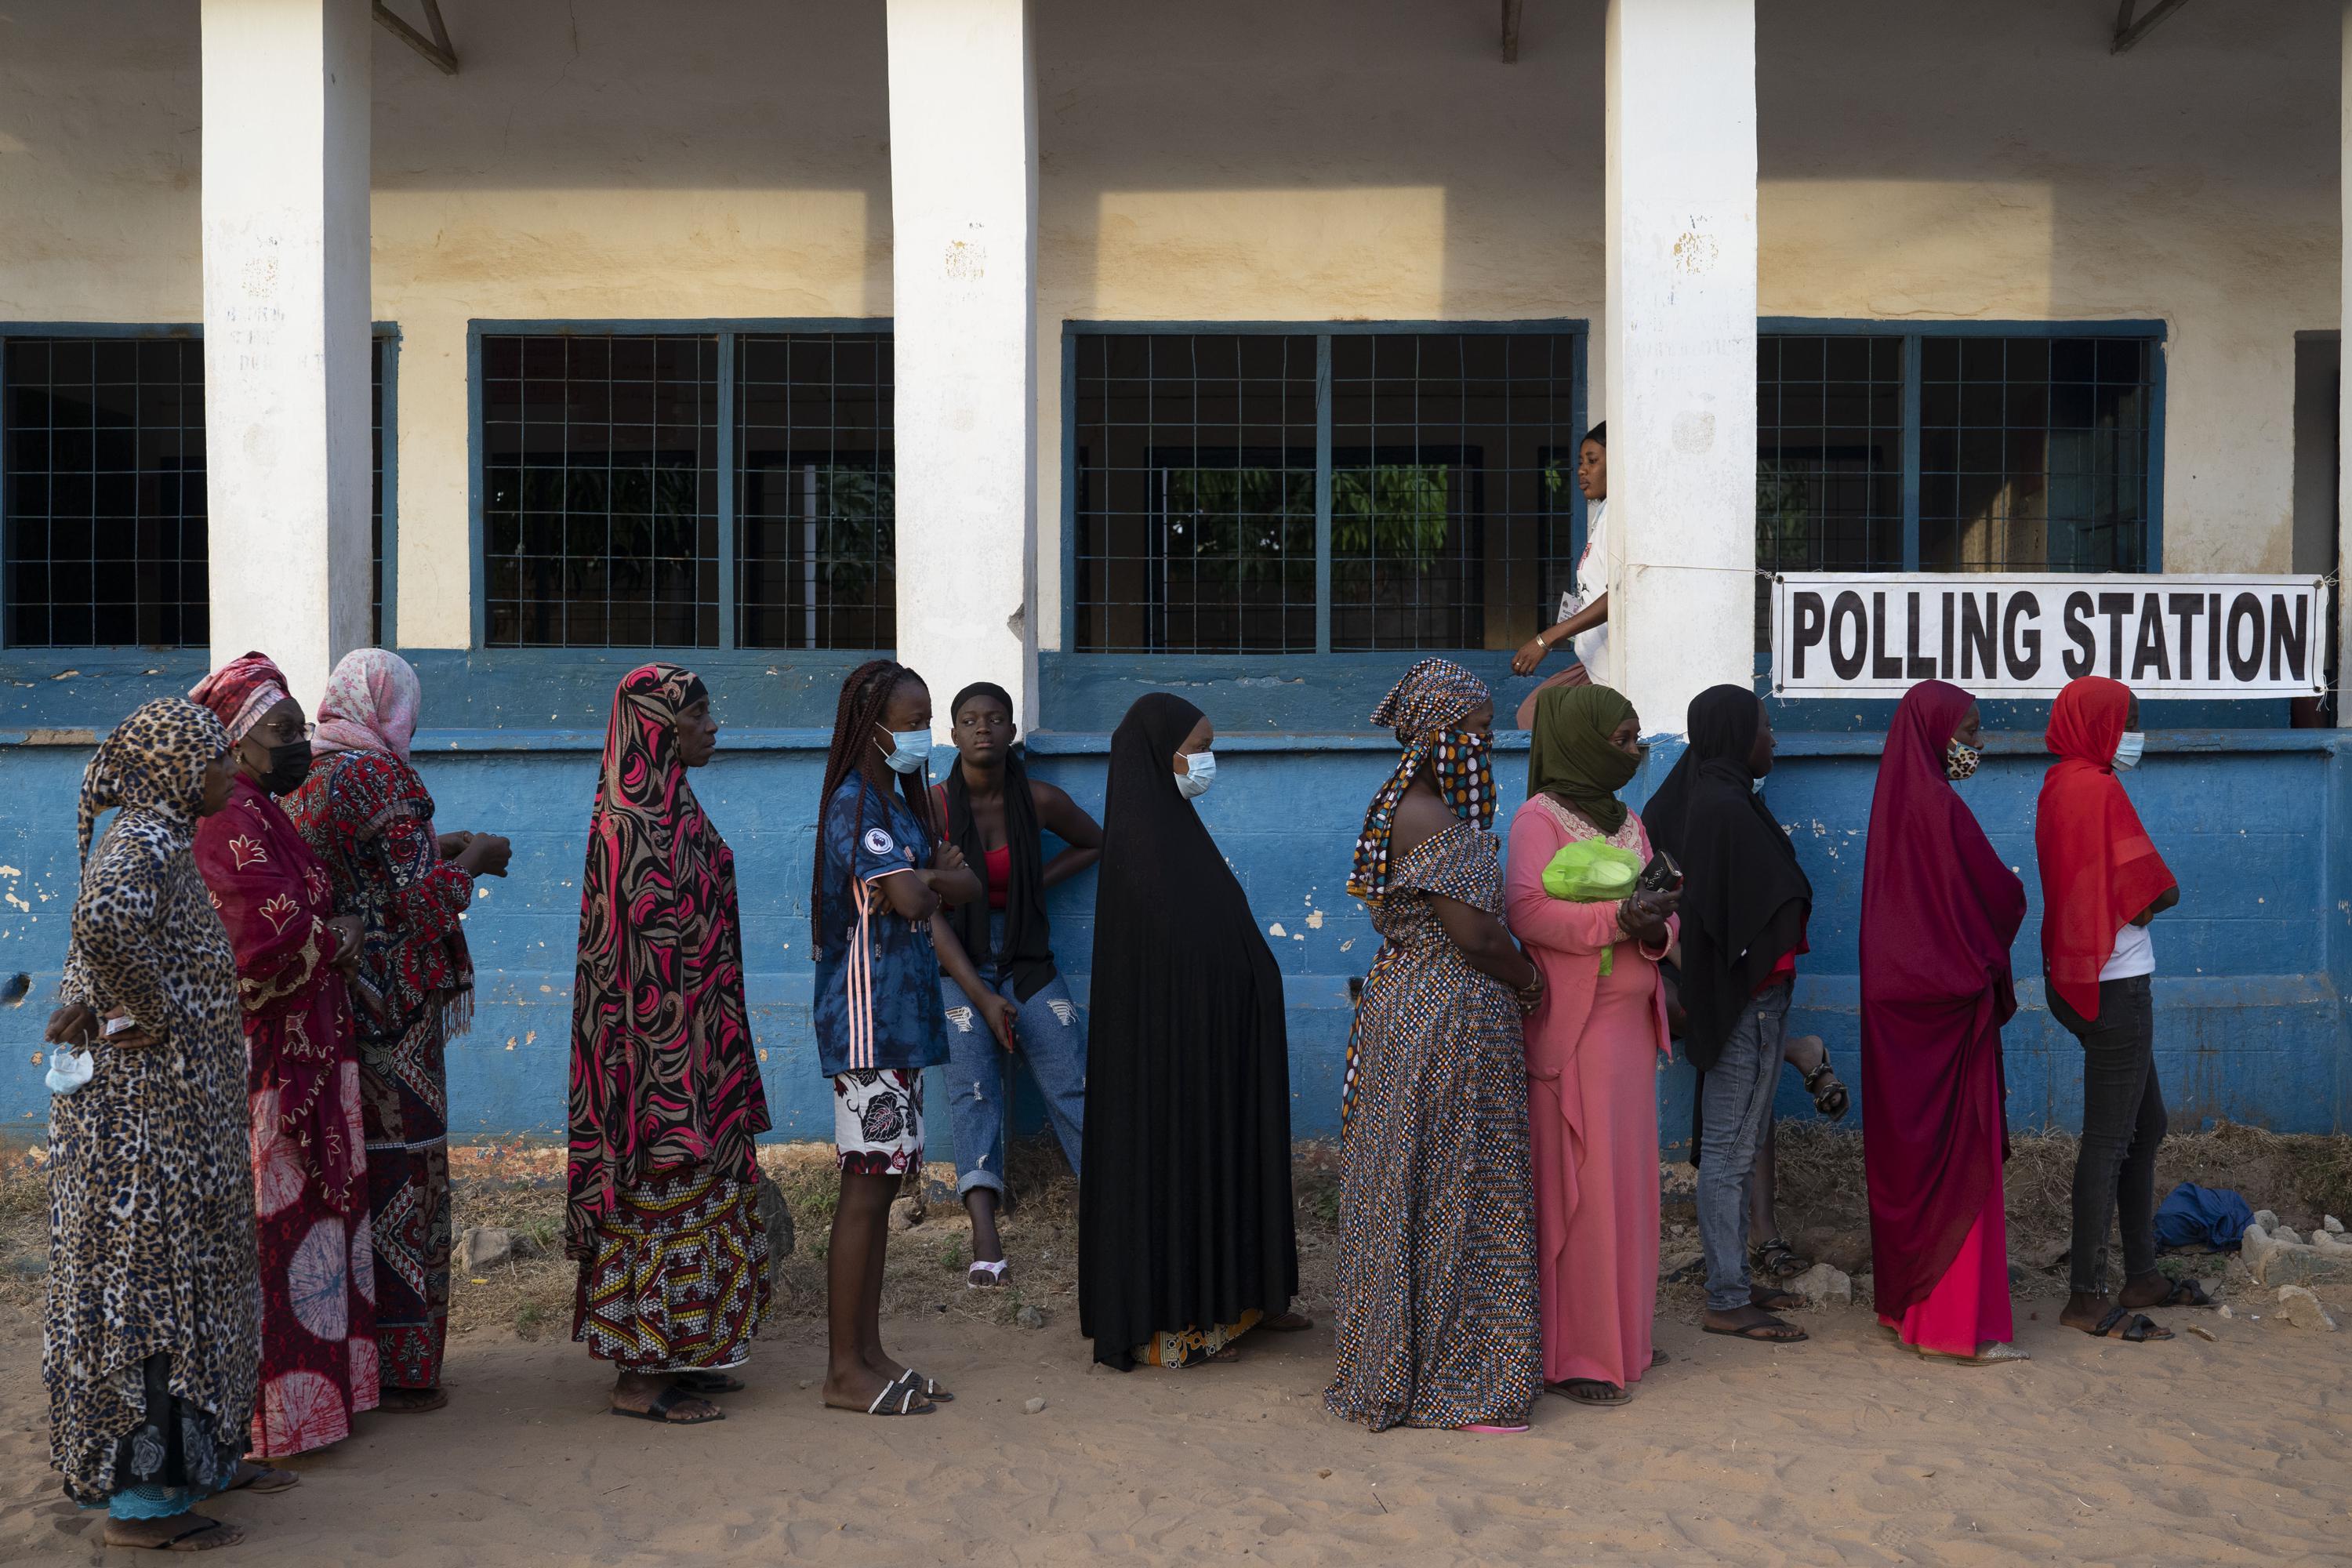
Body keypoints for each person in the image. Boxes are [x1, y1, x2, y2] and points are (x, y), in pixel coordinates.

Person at [43, 699, 259, 1550]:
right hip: (145, 1136)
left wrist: (125, 1000)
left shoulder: (157, 837)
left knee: (178, 1290)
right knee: (152, 1299)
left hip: (170, 1121)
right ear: (176, 769)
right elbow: (103, 923)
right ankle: (143, 1505)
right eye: (215, 759)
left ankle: (187, 1470)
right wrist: (151, 1011)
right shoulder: (145, 839)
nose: (229, 773)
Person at [287, 649, 510, 1412]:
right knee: (409, 1176)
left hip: (343, 1000)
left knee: (362, 1174)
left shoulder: (314, 774)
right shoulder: (384, 778)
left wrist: (434, 851)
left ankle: (365, 1358)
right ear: (391, 707)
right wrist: (475, 858)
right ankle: (410, 1364)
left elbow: (364, 876)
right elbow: (418, 903)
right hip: (400, 1010)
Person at [1325, 660, 1544, 1433]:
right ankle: (1460, 1381)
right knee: (1458, 1186)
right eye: (1478, 731)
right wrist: (1531, 979)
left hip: (1423, 1013)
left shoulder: (1417, 804)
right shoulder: (1424, 813)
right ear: (1439, 732)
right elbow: (1475, 934)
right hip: (1443, 1020)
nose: (1486, 745)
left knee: (1431, 1181)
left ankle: (1424, 1365)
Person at [568, 665, 774, 1424]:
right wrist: (665, 1078)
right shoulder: (631, 824)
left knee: (704, 1195)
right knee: (658, 1194)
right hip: (654, 1063)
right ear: (661, 727)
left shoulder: (675, 805)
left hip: (701, 1046)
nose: (714, 725)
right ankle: (640, 1376)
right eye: (701, 714)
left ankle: (685, 1350)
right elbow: (628, 966)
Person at [187, 652, 376, 1464]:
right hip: (267, 1063)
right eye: (283, 730)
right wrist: (339, 940)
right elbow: (256, 946)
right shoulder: (227, 822)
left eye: (301, 725)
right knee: (279, 1234)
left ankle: (322, 1401)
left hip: (312, 1045)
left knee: (314, 1229)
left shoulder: (267, 812)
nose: (301, 743)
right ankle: (274, 1418)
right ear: (234, 742)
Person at [1080, 693, 1304, 1370]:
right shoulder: (1146, 856)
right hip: (1173, 1067)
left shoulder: (1178, 837)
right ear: (1158, 755)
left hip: (1209, 1057)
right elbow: (1175, 968)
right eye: (1196, 748)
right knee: (1176, 1176)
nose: (1205, 763)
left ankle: (1240, 1304)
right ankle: (1174, 1325)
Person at [810, 659, 980, 1416]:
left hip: (904, 1021)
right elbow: (918, 891)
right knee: (864, 1194)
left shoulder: (899, 807)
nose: (921, 735)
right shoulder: (854, 806)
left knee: (882, 1193)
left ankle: (870, 1354)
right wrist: (931, 878)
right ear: (873, 726)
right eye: (910, 723)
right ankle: (844, 1370)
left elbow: (961, 887)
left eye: (924, 721)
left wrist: (930, 878)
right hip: (867, 1026)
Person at [1502, 684, 1678, 1408]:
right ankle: (1576, 1352)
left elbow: (1665, 921)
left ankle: (1624, 1338)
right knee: (1582, 1192)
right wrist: (1619, 916)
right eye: (1622, 738)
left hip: (1631, 1037)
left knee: (1628, 1187)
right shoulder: (1535, 820)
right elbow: (1527, 912)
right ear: (1580, 739)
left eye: (1637, 736)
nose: (1634, 750)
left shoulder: (1629, 819)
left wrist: (1655, 921)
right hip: (1577, 1034)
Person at [1859, 680, 2029, 1365]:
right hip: (1950, 1017)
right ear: (1937, 734)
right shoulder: (1942, 811)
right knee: (1960, 1166)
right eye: (1971, 731)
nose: (1978, 745)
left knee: (1910, 1165)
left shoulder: (1892, 809)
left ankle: (1908, 1312)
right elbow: (1999, 895)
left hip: (1898, 1020)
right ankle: (1954, 1326)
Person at [1639, 684, 1812, 1345]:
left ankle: (1736, 1276)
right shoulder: (1722, 808)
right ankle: (1727, 1296)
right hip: (1746, 1001)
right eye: (1764, 728)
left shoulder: (1723, 799)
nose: (1772, 740)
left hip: (1751, 997)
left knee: (1735, 1146)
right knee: (1729, 1154)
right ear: (1738, 734)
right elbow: (1748, 908)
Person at [2036, 675, 2202, 1343]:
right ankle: (2087, 1294)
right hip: (2116, 983)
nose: (2136, 734)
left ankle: (2142, 1274)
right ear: (2100, 725)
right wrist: (2163, 892)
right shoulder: (2100, 790)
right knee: (2109, 1140)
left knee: (2146, 1122)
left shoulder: (2058, 785)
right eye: (2130, 720)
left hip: (2076, 977)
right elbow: (2147, 896)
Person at [929, 681, 1101, 1288]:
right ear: (952, 734)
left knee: (1071, 1078)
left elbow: (1094, 842)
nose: (983, 728)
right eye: (970, 719)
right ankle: (985, 1237)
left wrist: (1033, 883)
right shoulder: (934, 809)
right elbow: (923, 908)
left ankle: (1108, 1215)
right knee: (973, 1086)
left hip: (1028, 957)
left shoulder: (1040, 799)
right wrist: (979, 993)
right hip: (959, 960)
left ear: (1010, 733)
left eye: (996, 719)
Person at [1510, 422, 1610, 727]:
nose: (1582, 471)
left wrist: (1546, 639)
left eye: (1592, 461)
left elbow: (1620, 596)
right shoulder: (1605, 513)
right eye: (1581, 463)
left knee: (1537, 718)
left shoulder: (1621, 514)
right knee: (1534, 715)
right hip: (1593, 661)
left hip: (1611, 670)